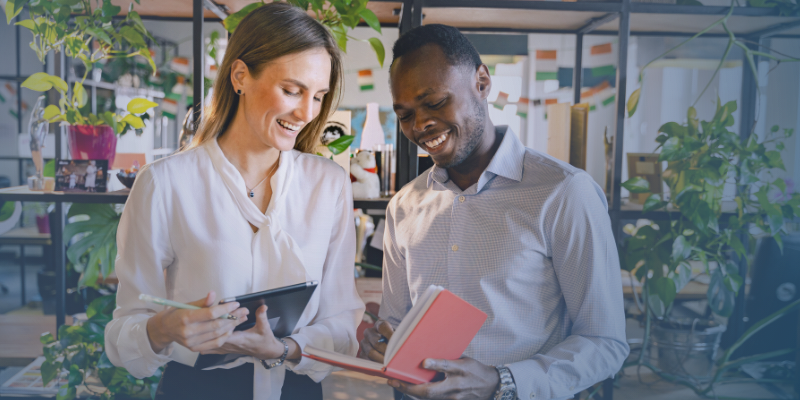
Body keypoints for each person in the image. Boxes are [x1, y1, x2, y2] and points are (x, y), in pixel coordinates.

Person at [104, 4, 365, 400]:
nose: (307, 112)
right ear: (240, 75)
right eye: (292, 91)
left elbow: (343, 320)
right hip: (196, 389)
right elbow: (123, 332)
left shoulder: (328, 184)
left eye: (319, 96)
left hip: (293, 388)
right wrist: (164, 329)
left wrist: (284, 349)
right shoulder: (165, 183)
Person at [360, 24, 629, 400]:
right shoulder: (403, 206)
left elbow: (605, 342)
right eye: (405, 115)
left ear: (482, 82)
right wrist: (380, 340)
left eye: (435, 102)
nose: (420, 125)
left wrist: (501, 382)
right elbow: (395, 322)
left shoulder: (564, 193)